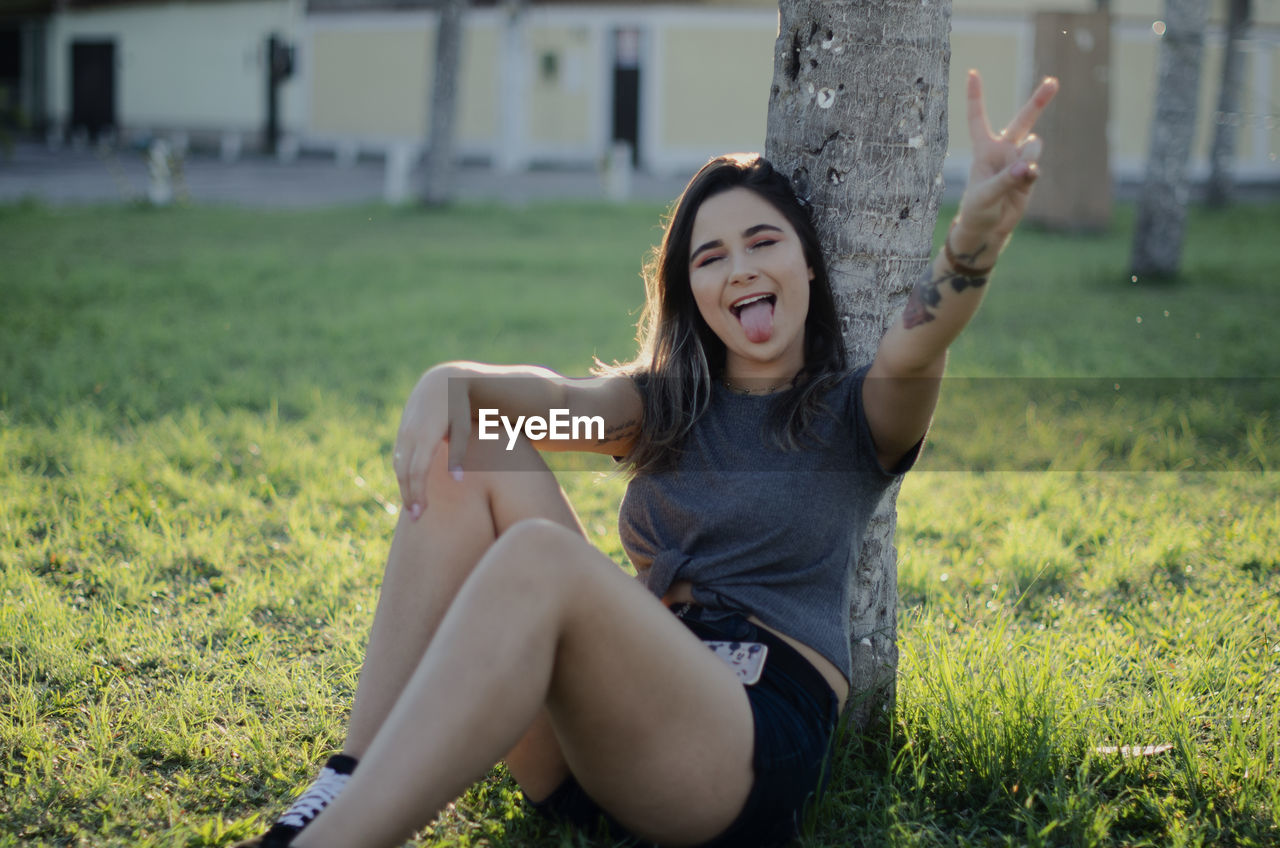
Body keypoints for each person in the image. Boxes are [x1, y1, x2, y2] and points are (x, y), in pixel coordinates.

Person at [234, 69, 1058, 848]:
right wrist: (449, 380)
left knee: (540, 560)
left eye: (761, 241)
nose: (739, 270)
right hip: (611, 732)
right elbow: (555, 400)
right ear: (692, 291)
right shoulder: (669, 401)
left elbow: (919, 348)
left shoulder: (856, 413)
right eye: (710, 257)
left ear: (805, 261)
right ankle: (349, 773)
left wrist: (972, 239)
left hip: (740, 744)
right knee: (473, 445)